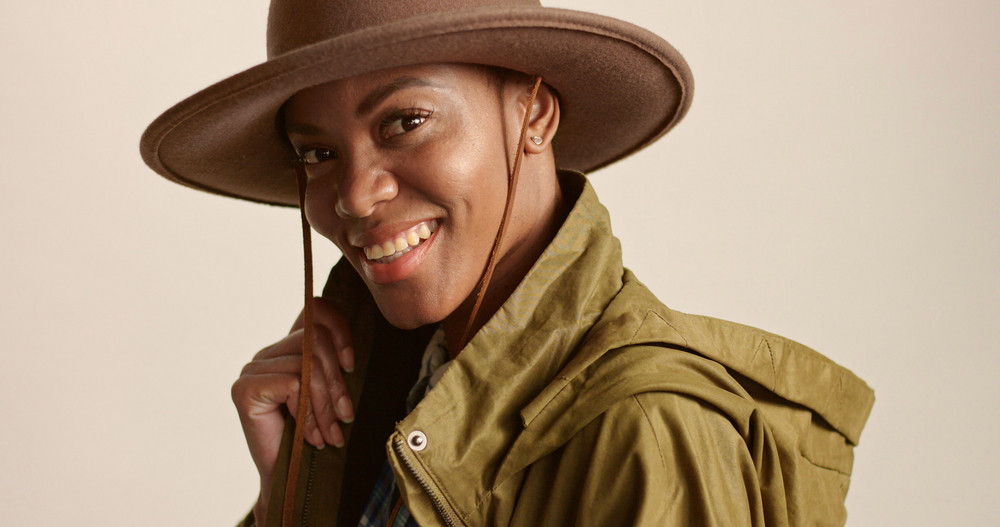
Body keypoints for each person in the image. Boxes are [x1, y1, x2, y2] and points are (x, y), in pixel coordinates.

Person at [140, 1, 875, 526]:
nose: (357, 195)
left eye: (404, 121)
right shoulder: (398, 394)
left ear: (536, 113)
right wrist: (289, 497)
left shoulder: (644, 430)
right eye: (318, 152)